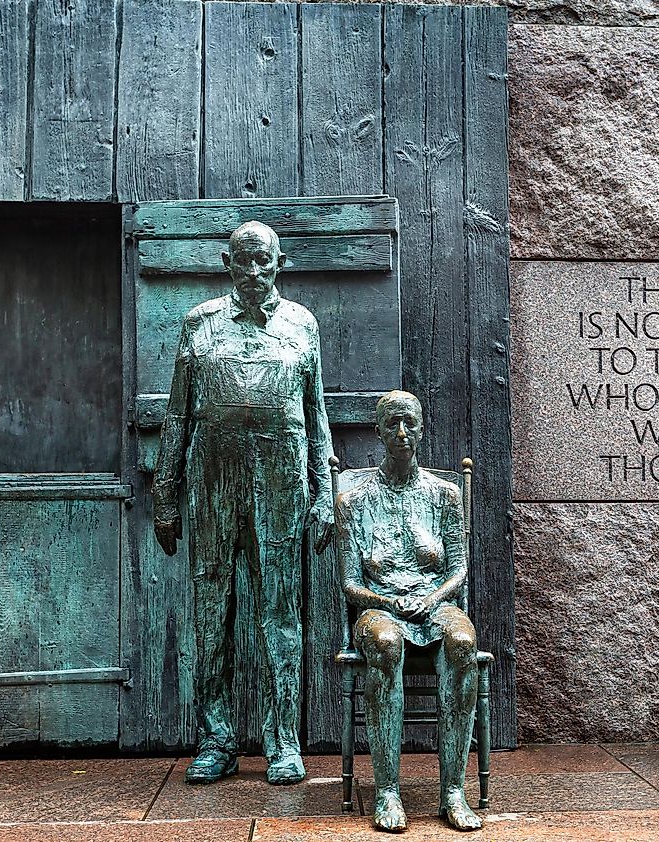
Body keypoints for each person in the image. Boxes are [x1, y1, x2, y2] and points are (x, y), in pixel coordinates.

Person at [152, 220, 334, 785]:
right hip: (212, 478)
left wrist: (323, 492)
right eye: (243, 261)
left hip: (281, 478)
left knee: (280, 610)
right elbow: (178, 413)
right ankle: (217, 737)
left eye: (264, 261)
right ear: (227, 262)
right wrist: (166, 495)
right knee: (213, 611)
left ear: (280, 262)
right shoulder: (199, 324)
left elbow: (315, 414)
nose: (254, 273)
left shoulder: (302, 325)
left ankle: (284, 740)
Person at [336, 391, 482, 832]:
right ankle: (386, 792)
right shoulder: (354, 501)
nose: (402, 433)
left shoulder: (445, 494)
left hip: (435, 603)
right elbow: (350, 583)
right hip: (379, 608)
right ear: (379, 431)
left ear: (421, 429)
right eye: (393, 424)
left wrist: (434, 600)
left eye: (411, 424)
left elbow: (459, 569)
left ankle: (453, 791)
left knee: (462, 642)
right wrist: (387, 602)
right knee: (385, 642)